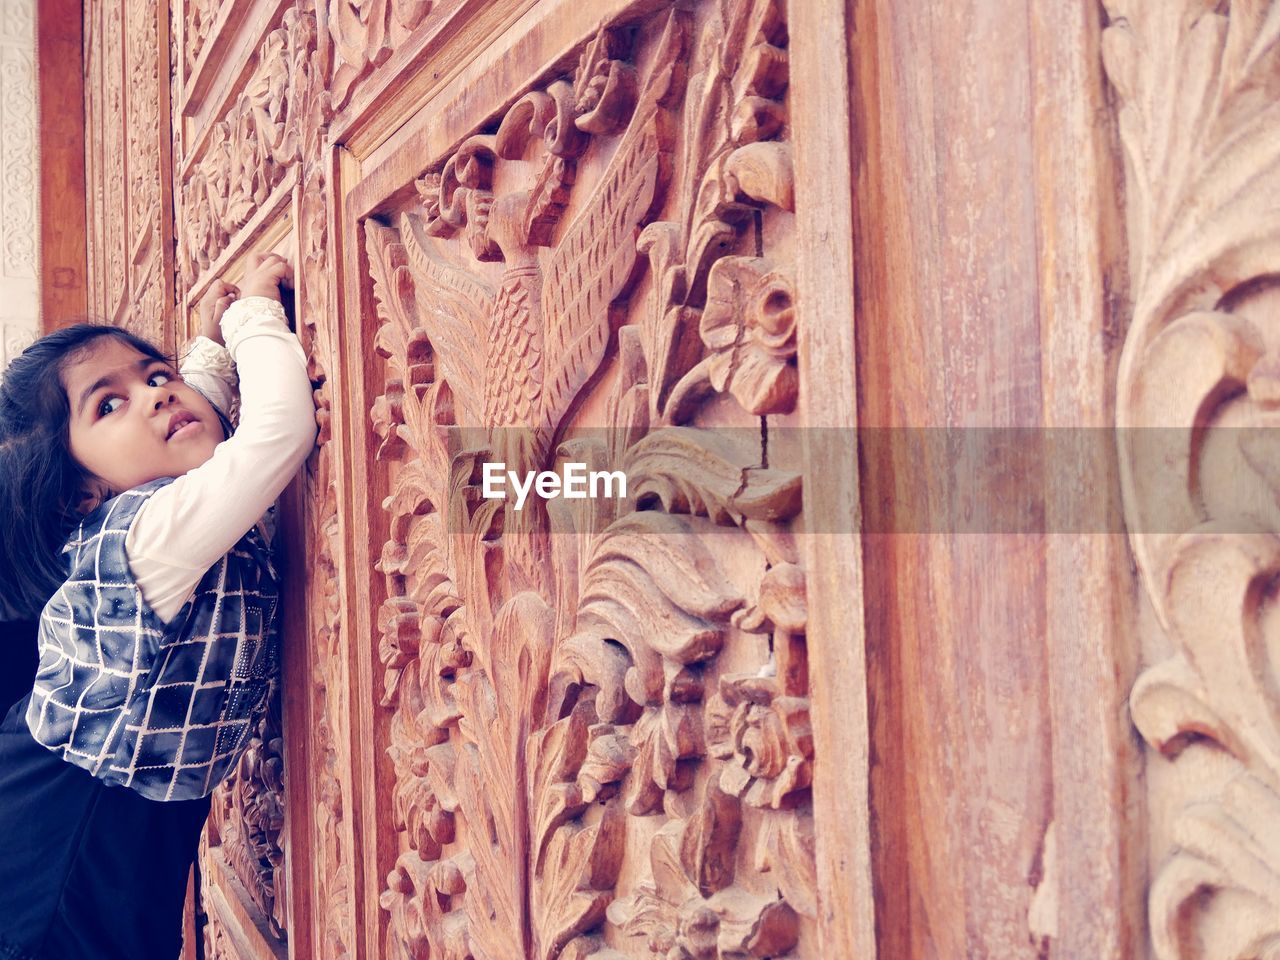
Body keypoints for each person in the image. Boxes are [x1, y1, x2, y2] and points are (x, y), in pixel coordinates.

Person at [0, 251, 316, 959]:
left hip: (104, 823)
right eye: (106, 404)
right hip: (59, 852)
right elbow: (277, 436)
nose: (153, 397)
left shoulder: (147, 494)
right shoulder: (149, 530)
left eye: (155, 375)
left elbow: (184, 422)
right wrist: (252, 315)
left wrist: (203, 357)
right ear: (83, 493)